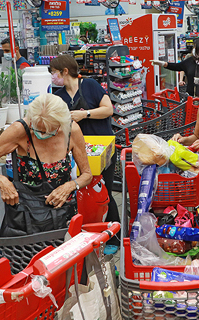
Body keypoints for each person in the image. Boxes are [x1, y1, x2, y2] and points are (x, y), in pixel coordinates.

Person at [0, 94, 92, 234]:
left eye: (50, 130)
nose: (42, 134)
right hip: (25, 218)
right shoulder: (20, 130)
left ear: (62, 124)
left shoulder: (72, 131)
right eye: (38, 129)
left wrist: (70, 186)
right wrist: (2, 181)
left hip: (62, 215)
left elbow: (87, 175)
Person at [50, 55, 120, 253]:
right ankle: (89, 232)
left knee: (103, 189)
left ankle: (114, 235)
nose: (53, 77)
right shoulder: (59, 95)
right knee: (83, 192)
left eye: (54, 72)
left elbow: (108, 109)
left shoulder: (89, 85)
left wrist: (85, 114)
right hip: (78, 151)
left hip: (102, 147)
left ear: (65, 71)